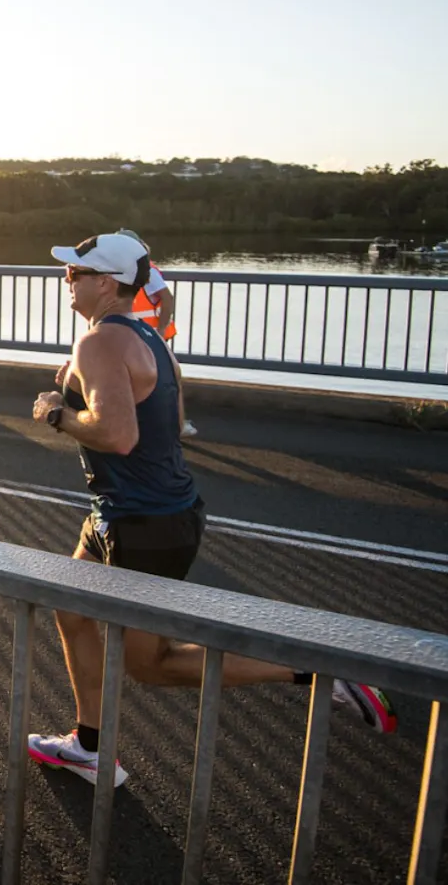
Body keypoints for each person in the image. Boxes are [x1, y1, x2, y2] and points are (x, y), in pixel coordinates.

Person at [27, 233, 395, 787]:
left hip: (143, 522)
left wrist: (58, 413)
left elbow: (119, 436)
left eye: (76, 273)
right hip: (130, 513)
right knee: (70, 609)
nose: (67, 280)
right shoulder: (150, 340)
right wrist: (88, 387)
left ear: (106, 282)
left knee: (151, 663)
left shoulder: (100, 343)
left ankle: (319, 674)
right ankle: (89, 746)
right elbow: (170, 426)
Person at [115, 227, 196, 437]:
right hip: (134, 334)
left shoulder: (146, 271)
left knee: (166, 379)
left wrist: (159, 330)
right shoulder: (124, 270)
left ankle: (176, 425)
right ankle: (158, 425)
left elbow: (167, 298)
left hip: (150, 335)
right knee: (151, 380)